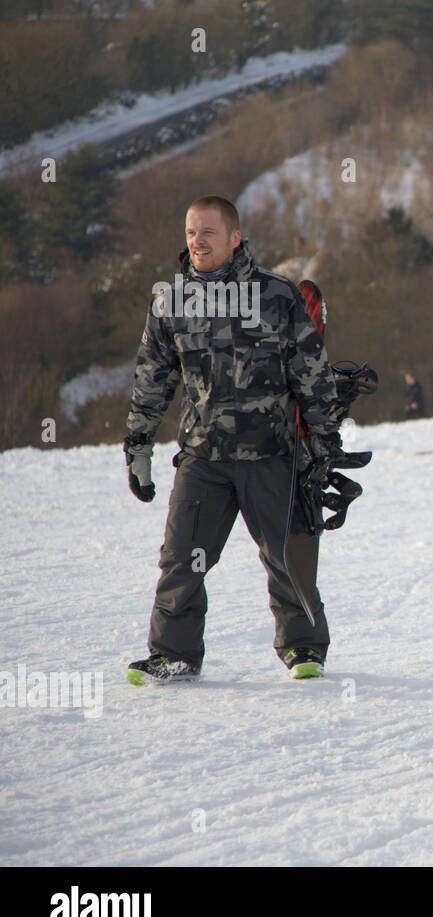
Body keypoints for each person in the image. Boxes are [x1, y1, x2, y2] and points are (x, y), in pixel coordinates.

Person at [124, 196, 342, 684]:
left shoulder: (277, 296)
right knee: (182, 558)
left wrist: (325, 445)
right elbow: (153, 377)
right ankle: (173, 653)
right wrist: (138, 445)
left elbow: (312, 374)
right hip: (204, 458)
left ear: (234, 238)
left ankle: (303, 647)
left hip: (271, 454)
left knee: (289, 556)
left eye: (207, 233)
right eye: (190, 233)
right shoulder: (170, 301)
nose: (196, 242)